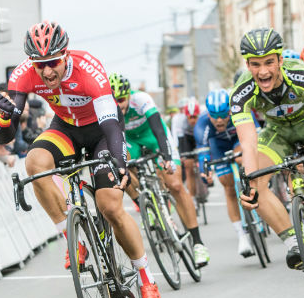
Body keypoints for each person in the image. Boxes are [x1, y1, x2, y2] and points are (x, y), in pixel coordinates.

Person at [0, 21, 162, 298]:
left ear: (66, 54)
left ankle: (147, 280)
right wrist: (5, 119)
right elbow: (6, 139)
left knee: (109, 205)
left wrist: (119, 164)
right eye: (40, 65)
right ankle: (74, 242)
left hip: (101, 132)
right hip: (65, 129)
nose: (47, 72)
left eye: (53, 63)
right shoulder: (23, 74)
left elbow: (111, 125)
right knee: (35, 164)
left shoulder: (89, 70)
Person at [230, 27, 304, 269]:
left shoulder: (303, 76)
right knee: (254, 184)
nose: (263, 71)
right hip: (276, 134)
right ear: (247, 65)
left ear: (281, 60)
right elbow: (249, 143)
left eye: (269, 62)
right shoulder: (240, 92)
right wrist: (249, 181)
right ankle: (294, 242)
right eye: (255, 64)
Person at [109, 73, 210, 267]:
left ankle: (198, 243)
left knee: (174, 184)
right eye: (115, 101)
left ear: (129, 95)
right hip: (131, 141)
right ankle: (144, 203)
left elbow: (158, 129)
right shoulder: (108, 109)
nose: (119, 105)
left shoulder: (141, 99)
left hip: (153, 136)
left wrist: (166, 156)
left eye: (122, 100)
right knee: (120, 170)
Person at [194, 88, 257, 257]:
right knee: (228, 188)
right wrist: (205, 172)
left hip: (239, 140)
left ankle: (253, 191)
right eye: (215, 116)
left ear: (230, 111)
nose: (219, 120)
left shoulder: (239, 111)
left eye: (223, 115)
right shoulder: (202, 124)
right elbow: (203, 153)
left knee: (241, 159)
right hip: (219, 147)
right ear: (209, 115)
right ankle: (241, 236)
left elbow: (255, 134)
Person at [171, 97, 201, 208]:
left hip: (199, 135)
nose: (192, 120)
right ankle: (192, 197)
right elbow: (177, 138)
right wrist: (179, 152)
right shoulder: (180, 121)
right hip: (186, 137)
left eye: (195, 117)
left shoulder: (202, 119)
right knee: (188, 167)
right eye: (190, 117)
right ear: (186, 116)